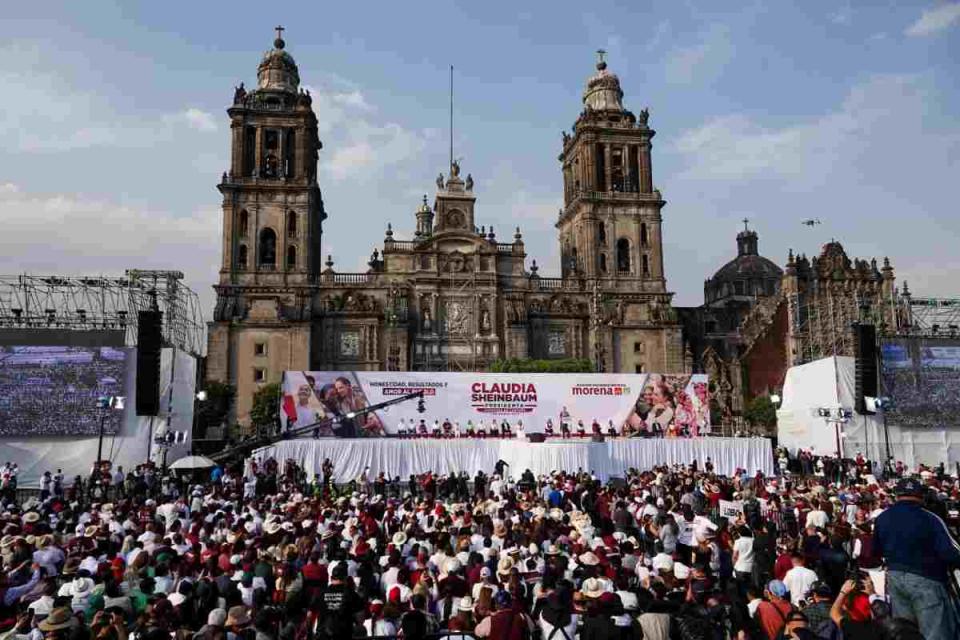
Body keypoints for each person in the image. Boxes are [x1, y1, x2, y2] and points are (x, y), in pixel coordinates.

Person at [874, 476, 960, 640]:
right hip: (927, 579)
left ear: (897, 495)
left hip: (895, 577)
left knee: (904, 632)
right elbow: (951, 552)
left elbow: (876, 551)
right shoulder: (930, 518)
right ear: (920, 496)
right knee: (936, 633)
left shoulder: (882, 518)